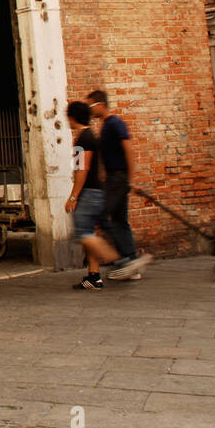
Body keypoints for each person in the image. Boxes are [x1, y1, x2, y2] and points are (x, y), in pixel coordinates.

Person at [86, 89, 152, 281]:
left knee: (102, 215)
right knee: (120, 219)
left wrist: (129, 181)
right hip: (113, 179)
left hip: (118, 179)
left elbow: (129, 151)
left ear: (100, 104)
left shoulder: (115, 123)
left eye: (91, 106)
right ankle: (132, 262)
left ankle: (128, 259)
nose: (91, 111)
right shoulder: (106, 126)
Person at [66, 101, 120, 289]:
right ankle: (94, 276)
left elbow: (82, 169)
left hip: (89, 193)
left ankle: (117, 258)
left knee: (82, 234)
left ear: (72, 117)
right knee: (88, 232)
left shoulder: (84, 139)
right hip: (96, 192)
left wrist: (73, 196)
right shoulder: (90, 137)